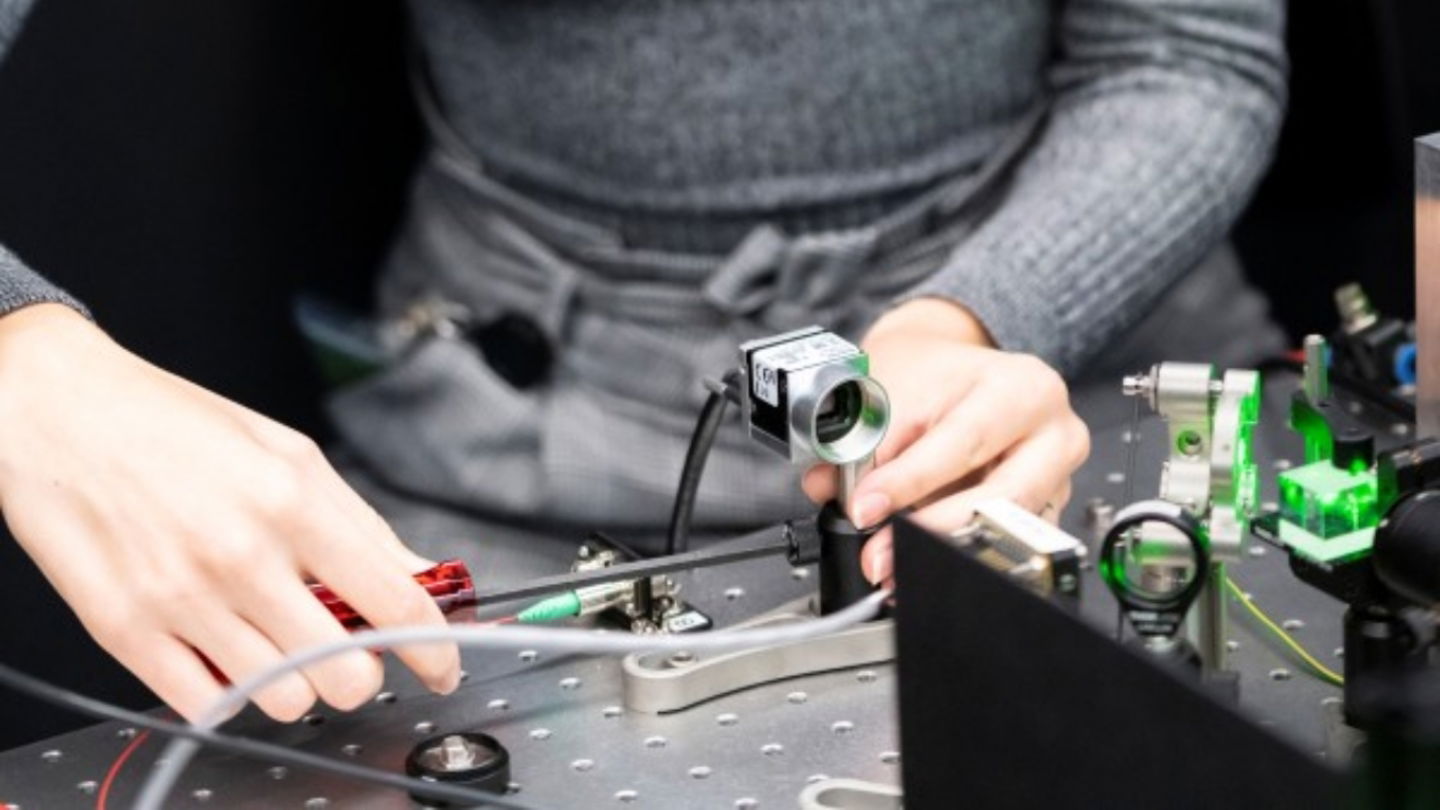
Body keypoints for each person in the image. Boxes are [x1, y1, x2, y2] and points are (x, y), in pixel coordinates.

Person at [0, 0, 1287, 724]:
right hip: (522, 472)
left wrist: (979, 318)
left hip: (1080, 407)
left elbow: (1189, 54)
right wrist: (25, 361)